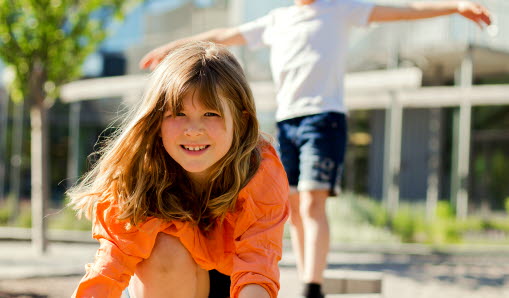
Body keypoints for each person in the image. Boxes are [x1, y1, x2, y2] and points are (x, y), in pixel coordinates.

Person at [139, 1, 492, 297]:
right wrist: (175, 48)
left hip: (324, 119)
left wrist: (454, 7)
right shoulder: (278, 20)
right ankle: (306, 277)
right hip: (288, 121)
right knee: (289, 203)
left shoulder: (339, 10)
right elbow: (222, 37)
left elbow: (400, 10)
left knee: (311, 201)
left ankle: (312, 284)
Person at [68, 42, 289, 298]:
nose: (193, 129)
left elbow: (258, 265)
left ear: (241, 120)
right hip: (160, 282)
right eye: (179, 113)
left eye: (210, 113)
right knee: (166, 250)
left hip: (231, 285)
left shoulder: (259, 170)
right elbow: (109, 268)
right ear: (157, 119)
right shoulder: (138, 172)